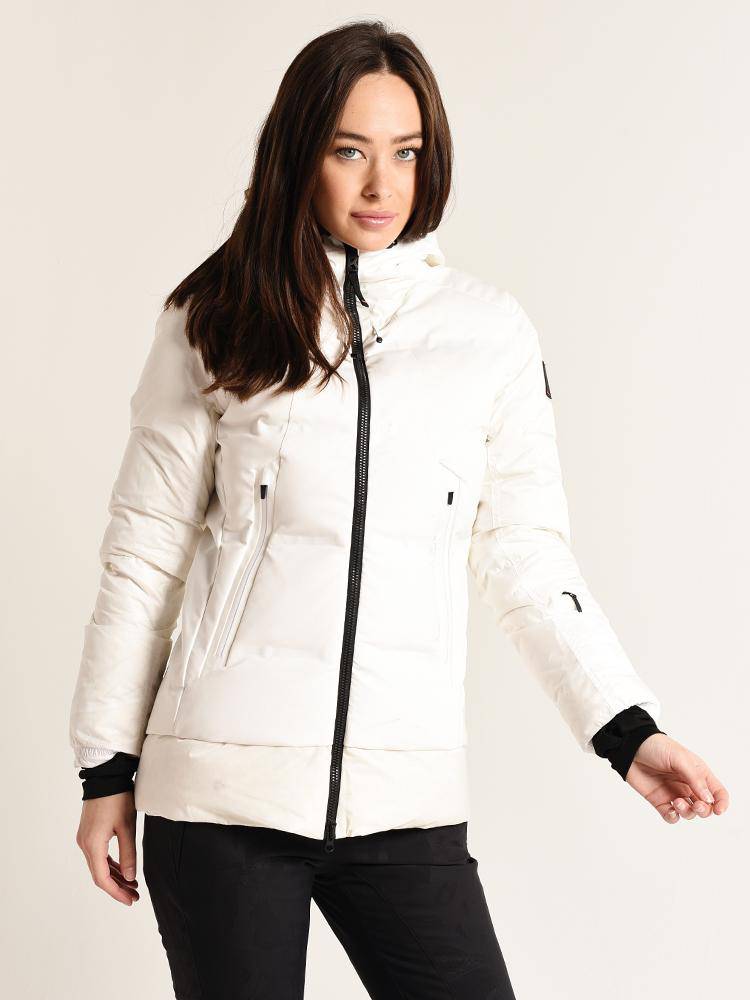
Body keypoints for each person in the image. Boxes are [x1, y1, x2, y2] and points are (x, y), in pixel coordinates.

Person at [69, 20, 730, 1000]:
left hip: (404, 798)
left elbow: (527, 558)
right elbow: (145, 553)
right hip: (220, 799)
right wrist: (106, 770)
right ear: (300, 155)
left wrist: (627, 730)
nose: (381, 185)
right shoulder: (216, 317)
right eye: (349, 151)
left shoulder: (488, 336)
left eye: (406, 153)